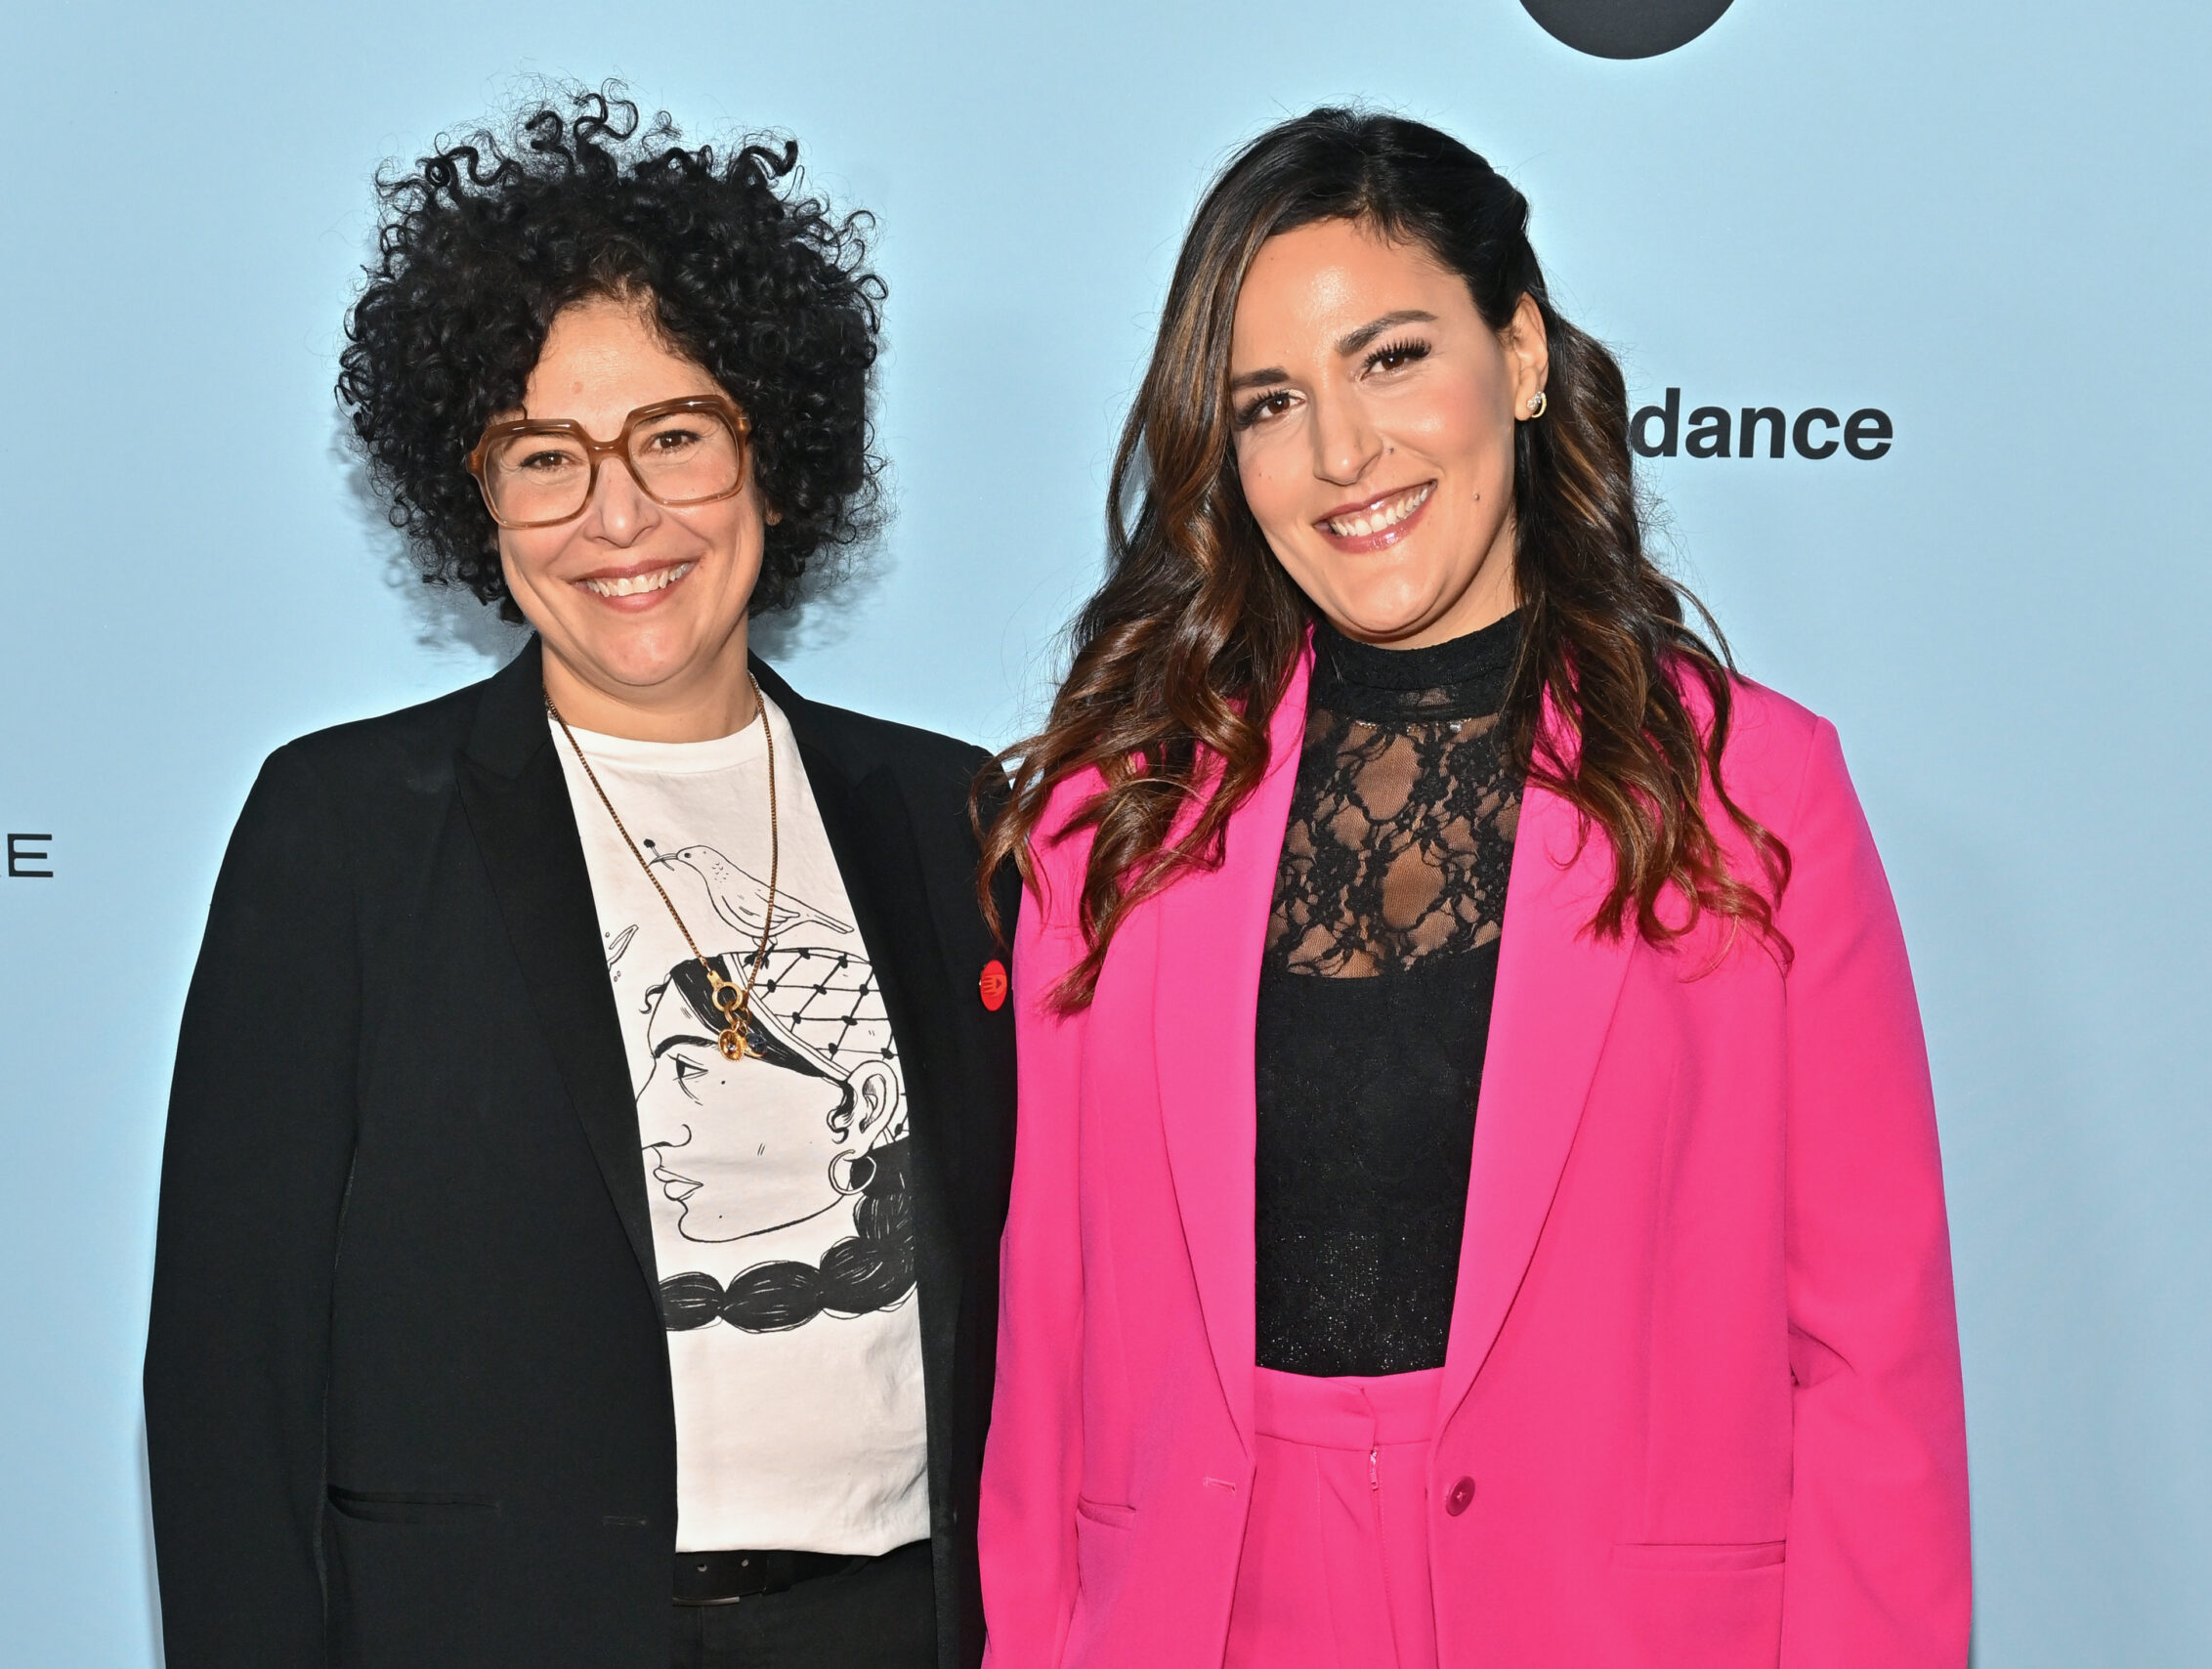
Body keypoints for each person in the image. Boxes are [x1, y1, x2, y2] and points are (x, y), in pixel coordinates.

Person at [974, 108, 1969, 1669]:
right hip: (1200, 1612)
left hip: (1610, 1620)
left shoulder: (1750, 791)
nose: (1342, 457)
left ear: (1515, 356)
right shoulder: (1116, 823)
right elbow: (1051, 1349)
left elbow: (1866, 1350)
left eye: (1391, 360)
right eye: (1271, 404)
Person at [144, 88, 1017, 1669]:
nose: (619, 515)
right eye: (545, 454)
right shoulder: (343, 828)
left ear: (776, 449)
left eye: (676, 435)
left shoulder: (954, 814)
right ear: (474, 495)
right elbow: (228, 1372)